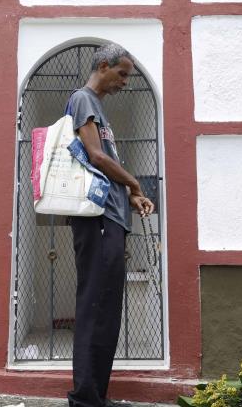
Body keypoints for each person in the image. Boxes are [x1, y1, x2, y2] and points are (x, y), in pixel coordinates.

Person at [65, 43, 154, 407]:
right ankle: (84, 398)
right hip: (98, 220)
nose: (125, 83)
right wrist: (134, 183)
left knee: (107, 310)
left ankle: (95, 395)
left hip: (111, 218)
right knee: (95, 306)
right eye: (122, 74)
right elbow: (96, 156)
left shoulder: (96, 106)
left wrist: (129, 195)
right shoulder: (83, 98)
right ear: (104, 65)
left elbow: (104, 159)